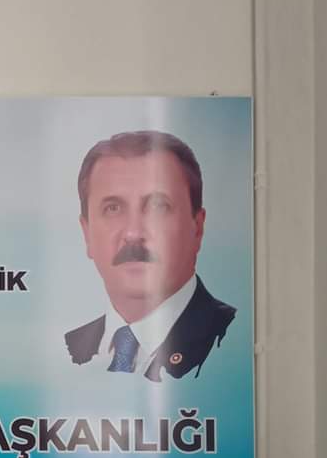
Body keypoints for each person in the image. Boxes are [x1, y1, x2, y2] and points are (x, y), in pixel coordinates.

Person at [64, 130, 236, 380]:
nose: (133, 234)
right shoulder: (66, 349)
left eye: (158, 206)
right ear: (87, 233)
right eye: (113, 208)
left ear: (197, 228)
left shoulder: (233, 338)